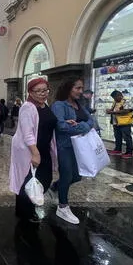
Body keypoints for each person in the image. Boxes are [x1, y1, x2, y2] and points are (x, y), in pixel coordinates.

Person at [10, 78, 58, 223]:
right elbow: (27, 132)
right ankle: (25, 212)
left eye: (45, 90)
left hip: (44, 148)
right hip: (29, 150)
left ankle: (28, 206)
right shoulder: (28, 107)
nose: (43, 94)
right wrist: (35, 153)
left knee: (44, 179)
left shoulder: (45, 105)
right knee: (28, 180)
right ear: (30, 92)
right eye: (38, 91)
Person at [51, 78, 94, 225]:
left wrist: (81, 126)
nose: (81, 91)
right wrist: (84, 126)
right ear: (69, 88)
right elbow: (61, 126)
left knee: (77, 177)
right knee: (67, 175)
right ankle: (62, 207)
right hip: (65, 146)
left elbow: (91, 121)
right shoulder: (59, 105)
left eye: (81, 88)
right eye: (78, 88)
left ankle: (55, 187)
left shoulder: (79, 105)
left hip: (80, 147)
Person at [106, 90, 133, 158]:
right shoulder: (115, 102)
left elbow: (127, 111)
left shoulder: (126, 101)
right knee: (117, 137)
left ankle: (129, 152)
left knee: (127, 137)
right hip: (116, 123)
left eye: (115, 97)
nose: (114, 99)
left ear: (120, 95)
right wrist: (110, 110)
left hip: (125, 122)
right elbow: (114, 110)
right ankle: (118, 150)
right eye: (113, 98)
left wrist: (113, 112)